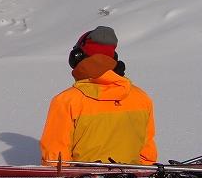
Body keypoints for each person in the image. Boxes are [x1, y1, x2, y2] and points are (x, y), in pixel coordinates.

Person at [40, 26, 157, 165]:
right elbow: (147, 158)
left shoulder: (66, 101)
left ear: (77, 57)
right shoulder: (141, 98)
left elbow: (55, 161)